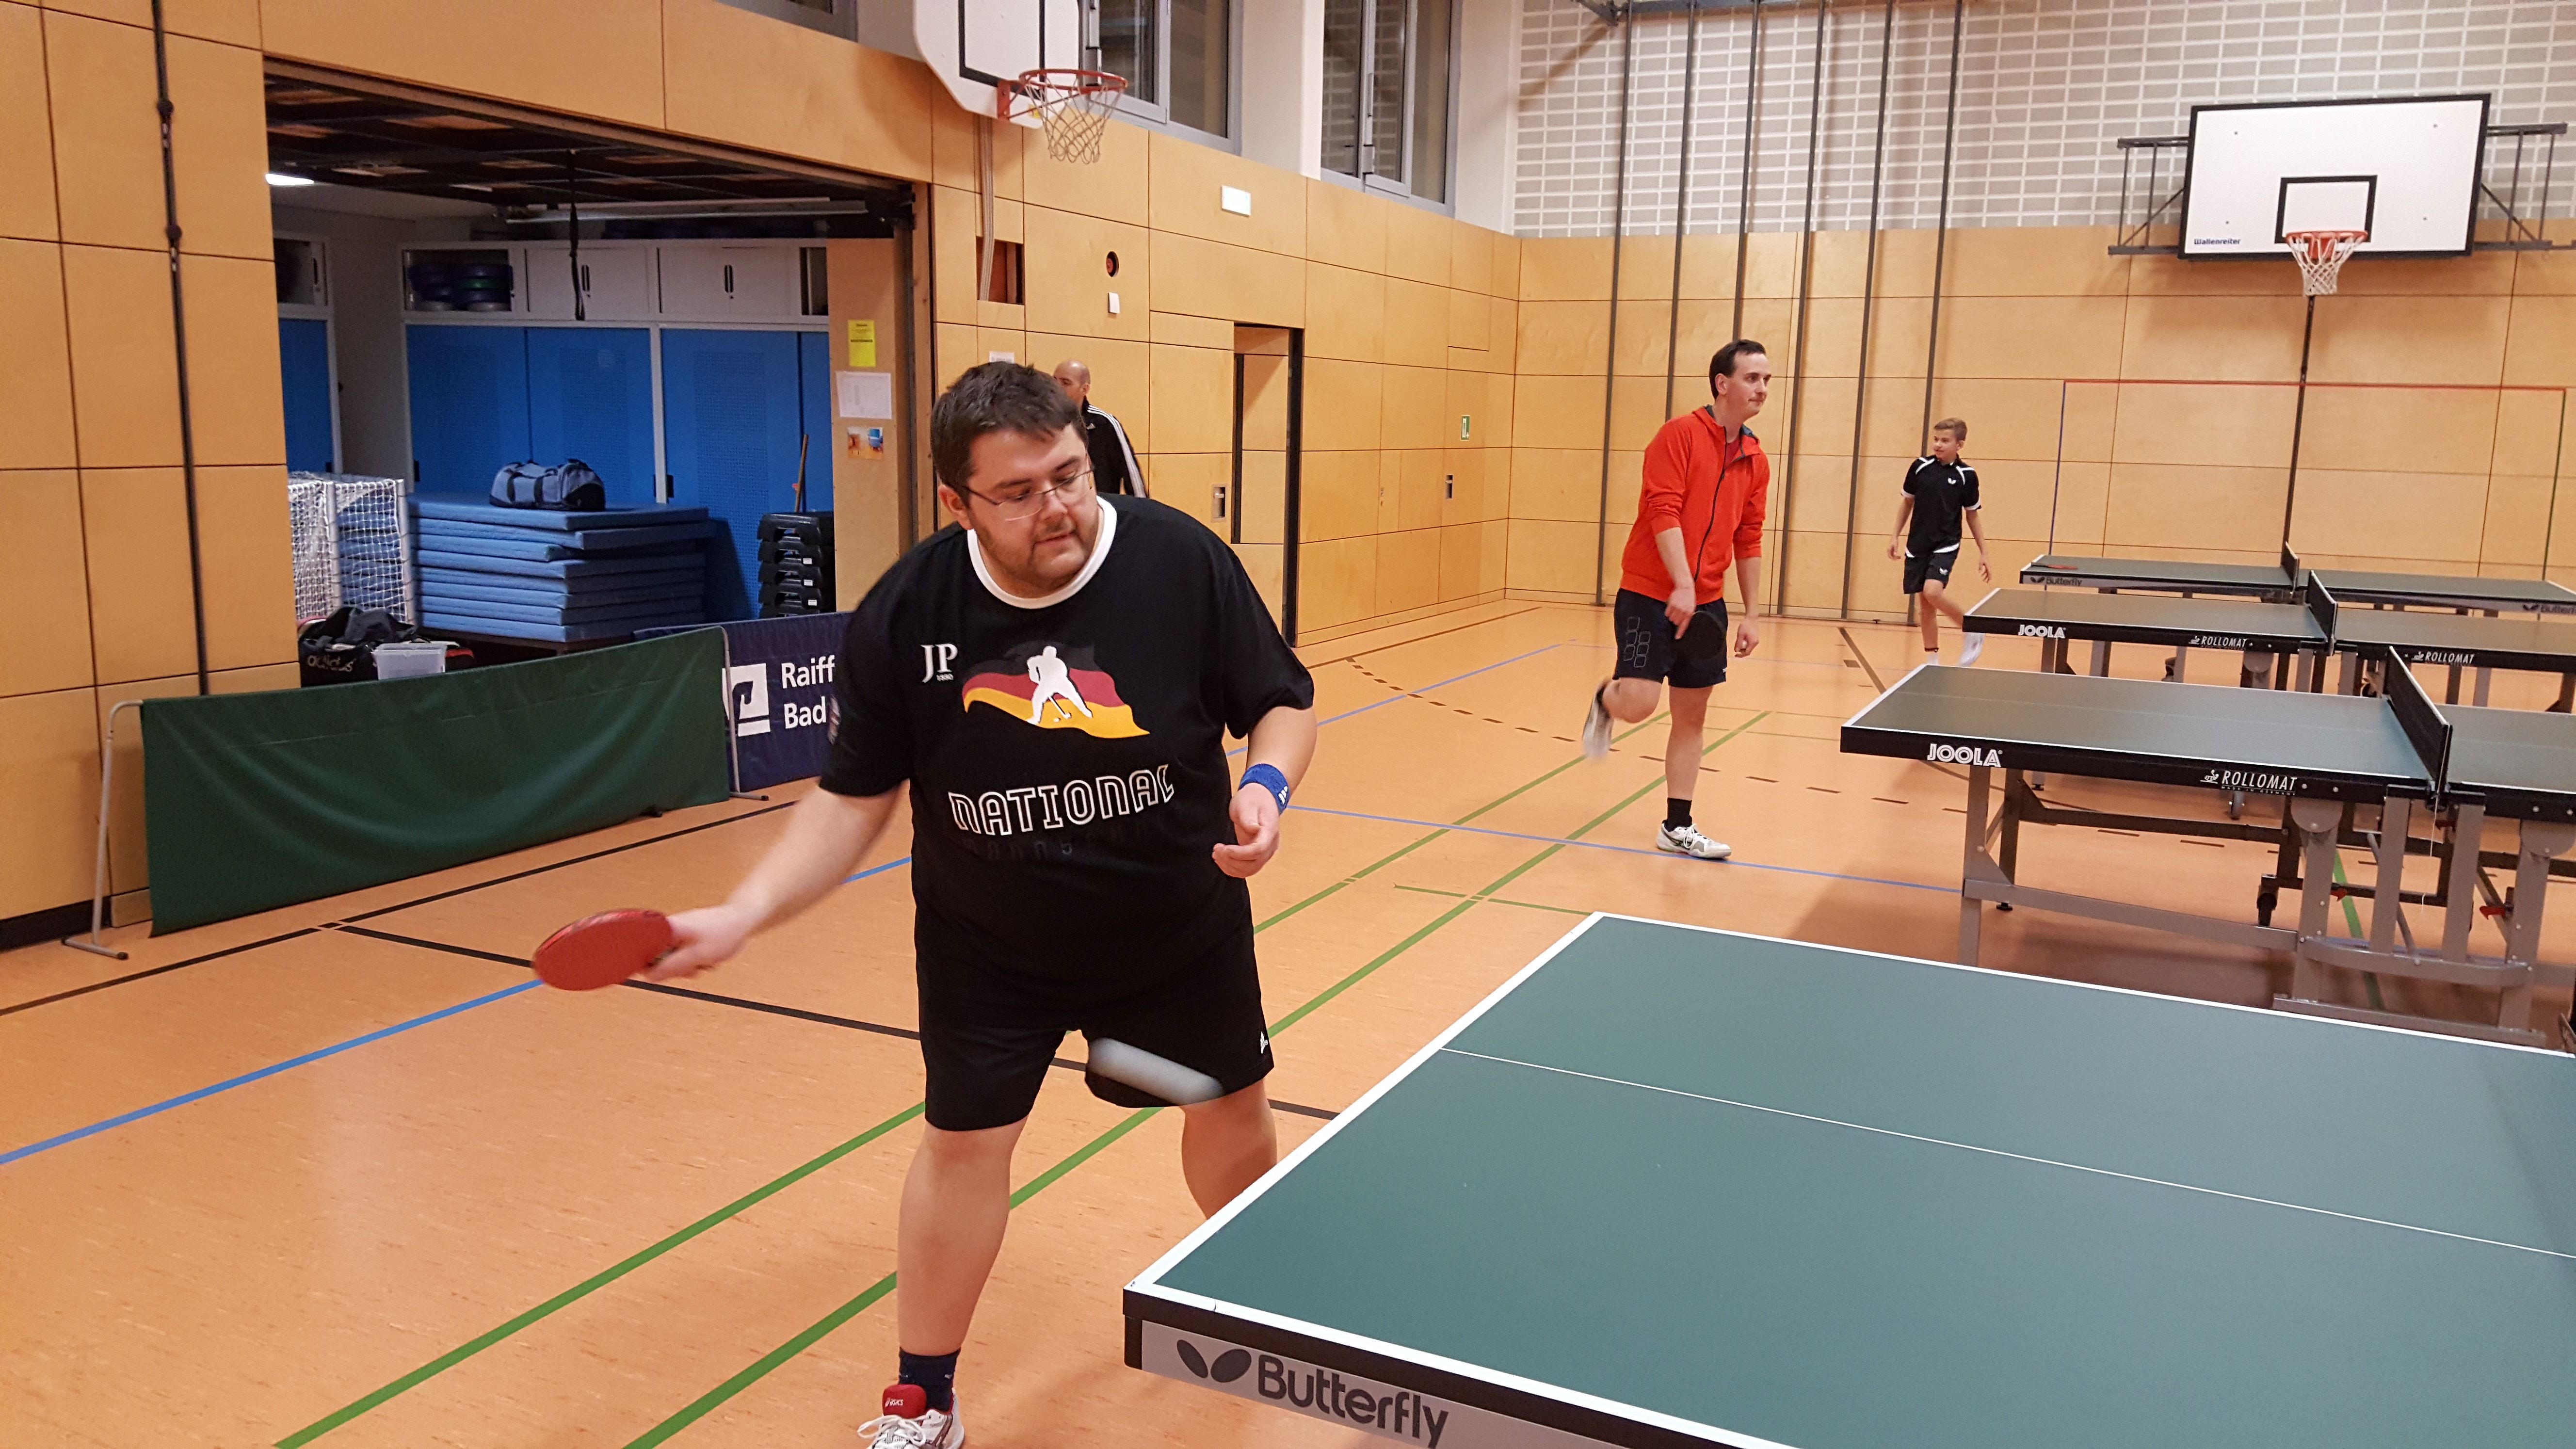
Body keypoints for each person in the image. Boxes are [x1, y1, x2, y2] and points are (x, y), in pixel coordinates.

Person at [644, 362, 1318, 1448]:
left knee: (1229, 1113)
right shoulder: (908, 610)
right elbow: (851, 801)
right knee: (962, 1146)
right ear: (955, 501)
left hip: (1174, 928)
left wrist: (1266, 788)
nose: (1056, 507)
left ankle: (1265, 1301)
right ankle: (925, 1396)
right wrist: (743, 912)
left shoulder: (1177, 558)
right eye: (1017, 492)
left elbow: (1283, 703)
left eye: (1069, 474)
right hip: (988, 946)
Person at [1580, 339, 1770, 862]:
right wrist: (1681, 583)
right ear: (1722, 384)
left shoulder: (1755, 460)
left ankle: (1677, 825)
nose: (1761, 389)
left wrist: (1752, 614)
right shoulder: (1678, 436)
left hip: (1706, 602)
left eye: (1766, 380)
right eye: (1752, 378)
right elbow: (1662, 511)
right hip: (1649, 593)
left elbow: (1749, 537)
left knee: (1691, 717)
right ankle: (1606, 699)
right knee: (1640, 705)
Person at [1886, 418, 1991, 665]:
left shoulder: (1967, 476)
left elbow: (1972, 515)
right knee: (1926, 607)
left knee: (1932, 592)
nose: (1938, 445)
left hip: (1946, 543)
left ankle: (1971, 627)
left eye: (1945, 441)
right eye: (1936, 440)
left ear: (1959, 445)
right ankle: (1932, 661)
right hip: (1918, 544)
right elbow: (1907, 503)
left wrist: (1984, 552)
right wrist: (1895, 535)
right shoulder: (1920, 467)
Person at [1052, 359, 1148, 498]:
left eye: (1065, 383)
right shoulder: (1044, 423)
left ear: (1085, 389)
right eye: (1054, 380)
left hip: (1100, 505)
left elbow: (1131, 472)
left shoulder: (1105, 423)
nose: (1057, 387)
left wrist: (1141, 507)